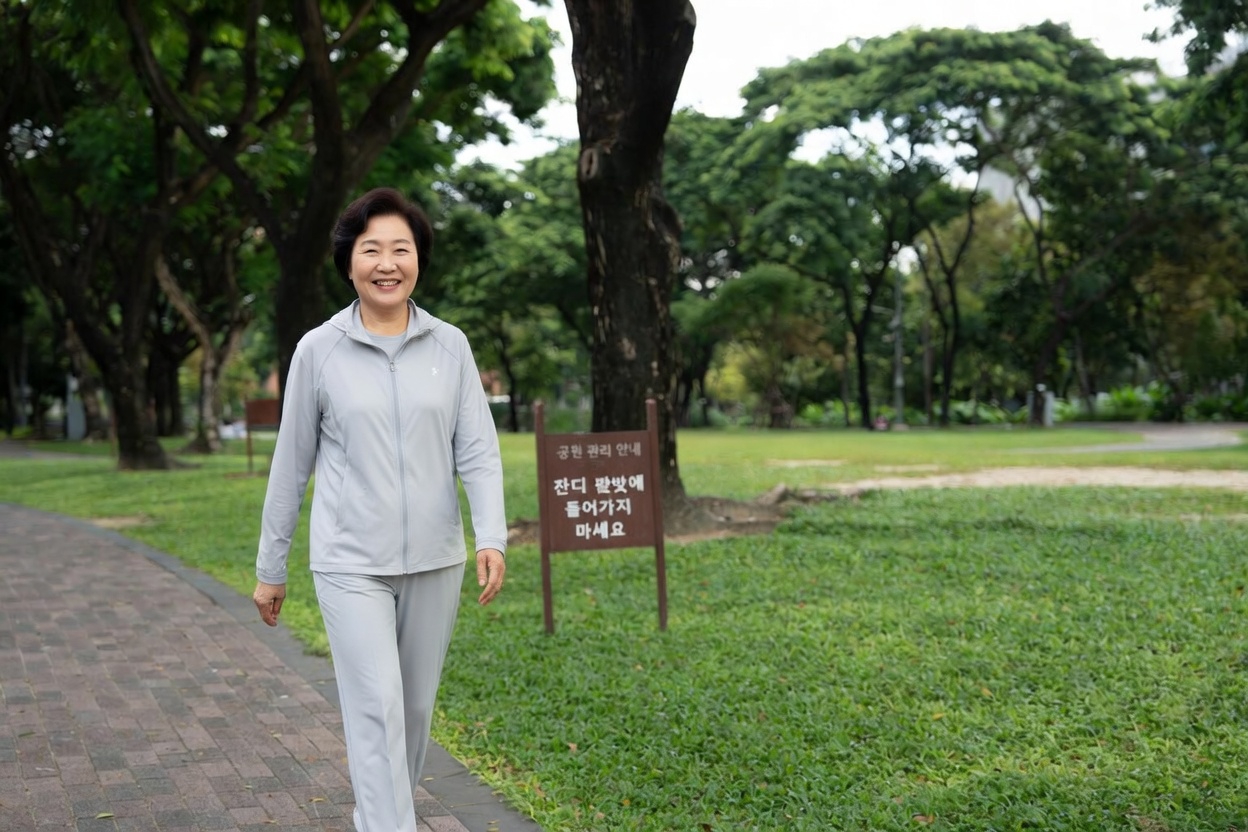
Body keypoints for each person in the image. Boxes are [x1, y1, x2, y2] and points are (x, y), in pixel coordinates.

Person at [251, 186, 507, 832]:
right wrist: (270, 565)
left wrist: (491, 535)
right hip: (349, 562)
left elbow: (477, 450)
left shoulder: (450, 346)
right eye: (372, 250)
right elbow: (292, 462)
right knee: (377, 709)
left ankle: (379, 816)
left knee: (414, 711)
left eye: (401, 248)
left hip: (435, 559)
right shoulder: (319, 350)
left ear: (418, 258)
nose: (387, 263)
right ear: (349, 262)